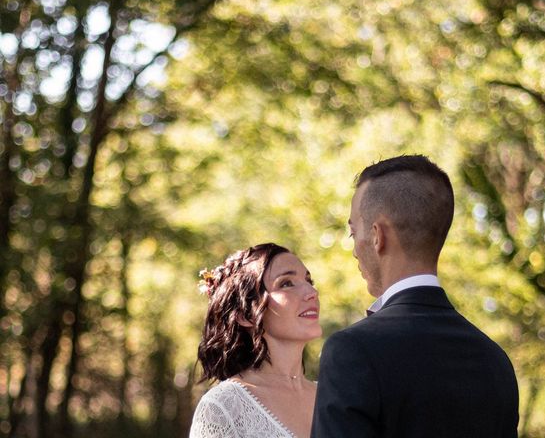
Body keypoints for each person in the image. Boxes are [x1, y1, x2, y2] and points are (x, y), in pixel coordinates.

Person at [311, 155, 519, 437]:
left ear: (377, 236)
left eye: (352, 232)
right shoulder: (495, 361)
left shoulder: (352, 351)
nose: (354, 249)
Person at [189, 243, 321, 438]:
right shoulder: (223, 407)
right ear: (245, 314)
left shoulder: (334, 396)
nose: (312, 292)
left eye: (309, 280)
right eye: (287, 283)